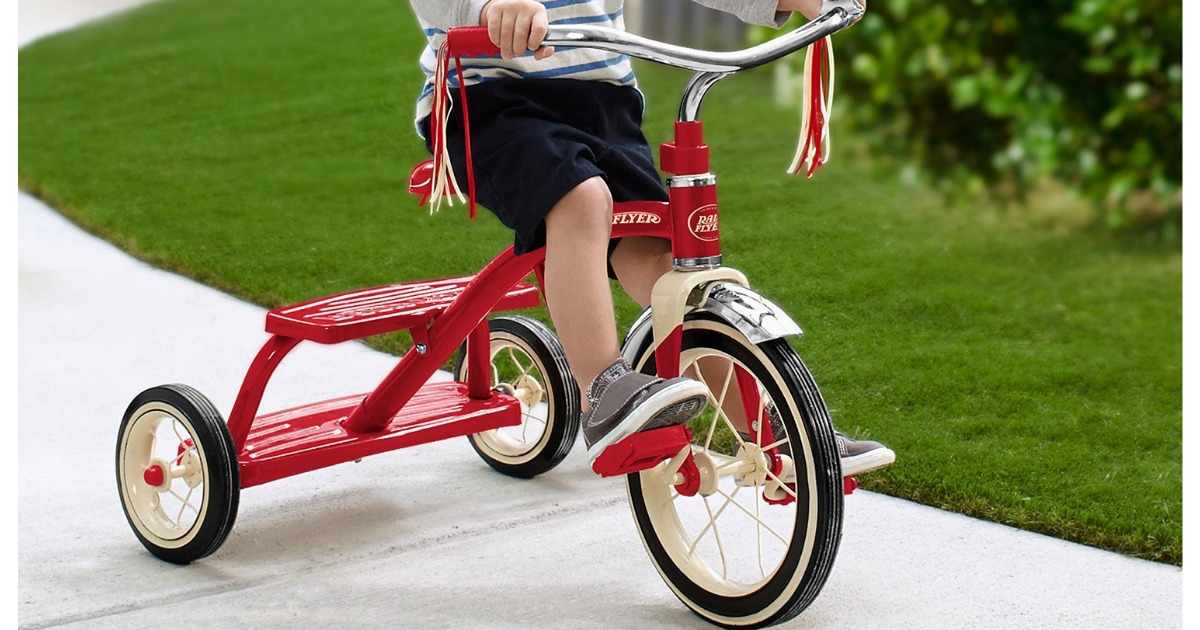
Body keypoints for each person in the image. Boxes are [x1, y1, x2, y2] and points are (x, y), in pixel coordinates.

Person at [408, 0, 894, 476]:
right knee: (582, 201)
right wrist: (489, 6)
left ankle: (774, 432)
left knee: (662, 260)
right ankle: (603, 388)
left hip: (603, 103)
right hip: (489, 105)